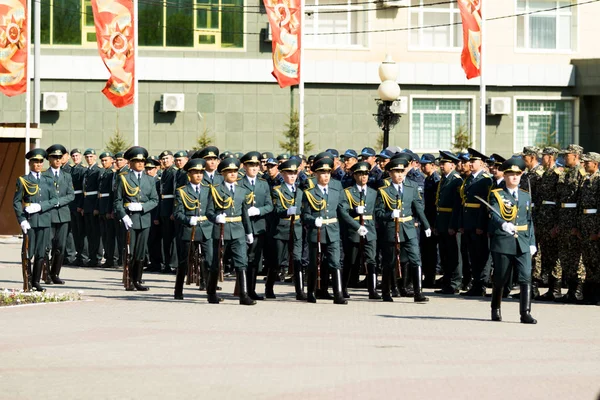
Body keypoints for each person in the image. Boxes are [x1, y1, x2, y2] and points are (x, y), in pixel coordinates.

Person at [487, 157, 537, 324]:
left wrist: (532, 242)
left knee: (525, 276)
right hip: (504, 241)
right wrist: (503, 224)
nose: (514, 177)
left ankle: (525, 313)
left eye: (517, 174)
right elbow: (493, 214)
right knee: (501, 277)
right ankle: (496, 308)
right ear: (505, 175)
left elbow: (529, 220)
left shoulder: (525, 196)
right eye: (510, 174)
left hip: (522, 241)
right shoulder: (497, 194)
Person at [375, 157, 431, 303]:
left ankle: (418, 293)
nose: (399, 175)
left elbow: (418, 208)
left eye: (401, 171)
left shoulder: (411, 188)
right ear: (390, 173)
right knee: (390, 261)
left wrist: (426, 225)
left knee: (416, 259)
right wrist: (389, 215)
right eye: (396, 172)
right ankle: (386, 292)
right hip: (393, 229)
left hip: (409, 228)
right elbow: (378, 213)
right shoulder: (383, 191)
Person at [206, 156, 255, 305]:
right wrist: (216, 218)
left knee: (242, 262)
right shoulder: (215, 190)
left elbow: (244, 213)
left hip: (238, 230)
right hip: (222, 229)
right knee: (217, 263)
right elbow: (208, 212)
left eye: (235, 171)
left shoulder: (242, 190)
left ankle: (243, 294)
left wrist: (249, 231)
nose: (233, 174)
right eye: (229, 171)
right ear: (223, 173)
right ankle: (212, 293)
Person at [302, 157, 346, 304]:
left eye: (328, 172)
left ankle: (338, 294)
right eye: (322, 172)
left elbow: (341, 210)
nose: (326, 175)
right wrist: (313, 220)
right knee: (315, 263)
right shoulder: (309, 193)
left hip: (332, 230)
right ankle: (311, 292)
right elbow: (305, 215)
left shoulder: (335, 191)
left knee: (335, 262)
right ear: (315, 174)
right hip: (317, 231)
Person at [113, 146, 159, 291]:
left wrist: (142, 207)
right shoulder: (124, 178)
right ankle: (129, 280)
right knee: (130, 251)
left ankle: (137, 280)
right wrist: (123, 216)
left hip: (144, 219)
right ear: (130, 163)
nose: (140, 164)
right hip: (130, 218)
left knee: (140, 252)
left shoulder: (150, 179)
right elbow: (117, 201)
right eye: (137, 161)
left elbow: (155, 199)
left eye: (142, 161)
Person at [13, 148, 58, 291]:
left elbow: (55, 200)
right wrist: (22, 220)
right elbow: (16, 202)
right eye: (35, 162)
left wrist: (40, 206)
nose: (38, 164)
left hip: (44, 220)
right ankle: (27, 280)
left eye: (40, 162)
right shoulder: (23, 180)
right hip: (30, 221)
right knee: (28, 253)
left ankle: (36, 281)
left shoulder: (48, 180)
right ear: (30, 163)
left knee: (41, 253)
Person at [173, 158, 214, 300]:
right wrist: (188, 219)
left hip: (206, 229)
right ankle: (178, 291)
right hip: (189, 229)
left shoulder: (208, 190)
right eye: (195, 172)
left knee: (209, 260)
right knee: (184, 262)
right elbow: (177, 213)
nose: (198, 175)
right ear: (189, 174)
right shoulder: (182, 191)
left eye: (201, 173)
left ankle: (211, 291)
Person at [338, 161, 380, 300]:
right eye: (360, 174)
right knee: (351, 260)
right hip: (354, 229)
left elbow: (375, 213)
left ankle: (372, 290)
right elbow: (343, 212)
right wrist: (354, 212)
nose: (363, 177)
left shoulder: (374, 193)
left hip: (369, 229)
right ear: (354, 176)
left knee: (371, 260)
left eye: (366, 174)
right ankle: (343, 288)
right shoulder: (347, 192)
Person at [268, 158, 306, 300]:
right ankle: (269, 287)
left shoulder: (300, 192)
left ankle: (299, 291)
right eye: (288, 173)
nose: (292, 176)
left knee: (297, 259)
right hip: (282, 227)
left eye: (294, 173)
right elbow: (276, 209)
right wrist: (286, 211)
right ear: (283, 175)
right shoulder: (277, 190)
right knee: (278, 260)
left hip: (296, 227)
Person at [238, 151, 274, 300]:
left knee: (254, 260)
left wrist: (258, 210)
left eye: (256, 165)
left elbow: (270, 205)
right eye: (250, 165)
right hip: (241, 227)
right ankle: (243, 290)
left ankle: (251, 290)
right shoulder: (239, 183)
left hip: (258, 226)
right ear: (245, 166)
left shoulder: (263, 184)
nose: (254, 168)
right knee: (242, 259)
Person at [554, 144, 587, 303]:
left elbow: (581, 201)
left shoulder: (581, 173)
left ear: (576, 156)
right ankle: (570, 290)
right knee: (566, 256)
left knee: (576, 256)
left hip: (574, 218)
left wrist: (577, 225)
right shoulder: (566, 173)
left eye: (567, 155)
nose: (564, 157)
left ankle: (578, 291)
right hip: (564, 217)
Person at [459, 148, 493, 297]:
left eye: (473, 161)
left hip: (478, 222)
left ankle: (481, 284)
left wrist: (481, 225)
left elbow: (485, 205)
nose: (470, 164)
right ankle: (476, 283)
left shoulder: (485, 179)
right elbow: (464, 203)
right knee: (472, 254)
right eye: (469, 161)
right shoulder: (469, 179)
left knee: (481, 254)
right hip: (468, 221)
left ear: (481, 163)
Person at [42, 145, 74, 284]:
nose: (57, 160)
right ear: (49, 159)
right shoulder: (44, 176)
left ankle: (55, 273)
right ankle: (46, 273)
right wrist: (51, 203)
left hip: (63, 215)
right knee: (46, 246)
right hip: (48, 215)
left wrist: (58, 202)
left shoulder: (67, 176)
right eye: (54, 157)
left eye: (59, 157)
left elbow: (71, 195)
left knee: (60, 247)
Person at [535, 147, 562, 301]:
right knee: (546, 254)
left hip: (552, 219)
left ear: (551, 157)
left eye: (544, 156)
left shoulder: (558, 174)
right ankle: (551, 288)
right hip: (544, 219)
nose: (541, 159)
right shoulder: (545, 174)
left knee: (554, 255)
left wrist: (557, 224)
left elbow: (560, 201)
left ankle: (556, 288)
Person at [434, 151, 463, 295]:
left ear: (452, 165)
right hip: (442, 222)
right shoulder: (444, 179)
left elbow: (457, 206)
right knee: (445, 255)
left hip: (451, 222)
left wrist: (453, 225)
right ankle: (446, 282)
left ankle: (455, 282)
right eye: (440, 163)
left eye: (443, 163)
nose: (441, 166)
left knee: (455, 254)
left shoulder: (456, 180)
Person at [578, 152, 600, 305]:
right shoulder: (586, 180)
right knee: (587, 260)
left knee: (596, 261)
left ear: (595, 163)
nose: (584, 164)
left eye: (587, 162)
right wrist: (578, 226)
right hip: (585, 225)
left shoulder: (599, 180)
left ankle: (597, 295)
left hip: (594, 225)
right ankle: (589, 295)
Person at [420, 153, 440, 287]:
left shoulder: (435, 180)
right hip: (426, 219)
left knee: (431, 251)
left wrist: (432, 224)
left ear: (432, 165)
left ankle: (431, 277)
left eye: (424, 165)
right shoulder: (427, 179)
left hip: (432, 220)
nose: (422, 167)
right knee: (426, 250)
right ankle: (427, 277)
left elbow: (435, 205)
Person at [157, 150, 178, 273]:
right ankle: (167, 263)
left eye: (167, 158)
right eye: (163, 159)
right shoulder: (165, 172)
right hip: (164, 207)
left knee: (172, 239)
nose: (165, 161)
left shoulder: (174, 173)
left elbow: (175, 193)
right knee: (166, 238)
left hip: (170, 207)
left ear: (172, 160)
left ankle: (173, 263)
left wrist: (173, 211)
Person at [81, 149, 103, 267]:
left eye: (91, 156)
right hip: (87, 205)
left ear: (95, 157)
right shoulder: (87, 171)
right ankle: (92, 256)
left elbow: (99, 191)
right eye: (87, 157)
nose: (89, 159)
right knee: (89, 233)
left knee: (95, 233)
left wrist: (96, 207)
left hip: (94, 204)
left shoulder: (97, 171)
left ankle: (97, 257)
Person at [68, 148, 88, 266]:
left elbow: (83, 190)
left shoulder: (82, 170)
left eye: (77, 156)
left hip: (78, 202)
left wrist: (80, 205)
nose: (75, 158)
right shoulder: (72, 170)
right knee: (75, 232)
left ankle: (84, 256)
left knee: (82, 232)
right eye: (73, 156)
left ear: (80, 157)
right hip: (72, 203)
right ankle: (79, 255)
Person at [97, 151, 118, 268]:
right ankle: (109, 257)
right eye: (103, 160)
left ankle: (113, 258)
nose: (104, 162)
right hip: (102, 206)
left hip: (108, 206)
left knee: (110, 235)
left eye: (106, 160)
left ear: (112, 160)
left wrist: (109, 210)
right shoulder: (105, 173)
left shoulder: (111, 173)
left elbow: (111, 193)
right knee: (105, 235)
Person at [145, 156, 163, 273]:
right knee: (150, 240)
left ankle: (157, 262)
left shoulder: (158, 181)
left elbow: (158, 201)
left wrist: (157, 216)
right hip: (147, 214)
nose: (148, 171)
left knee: (156, 240)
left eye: (151, 169)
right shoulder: (145, 181)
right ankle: (152, 262)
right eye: (147, 169)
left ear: (156, 169)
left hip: (155, 214)